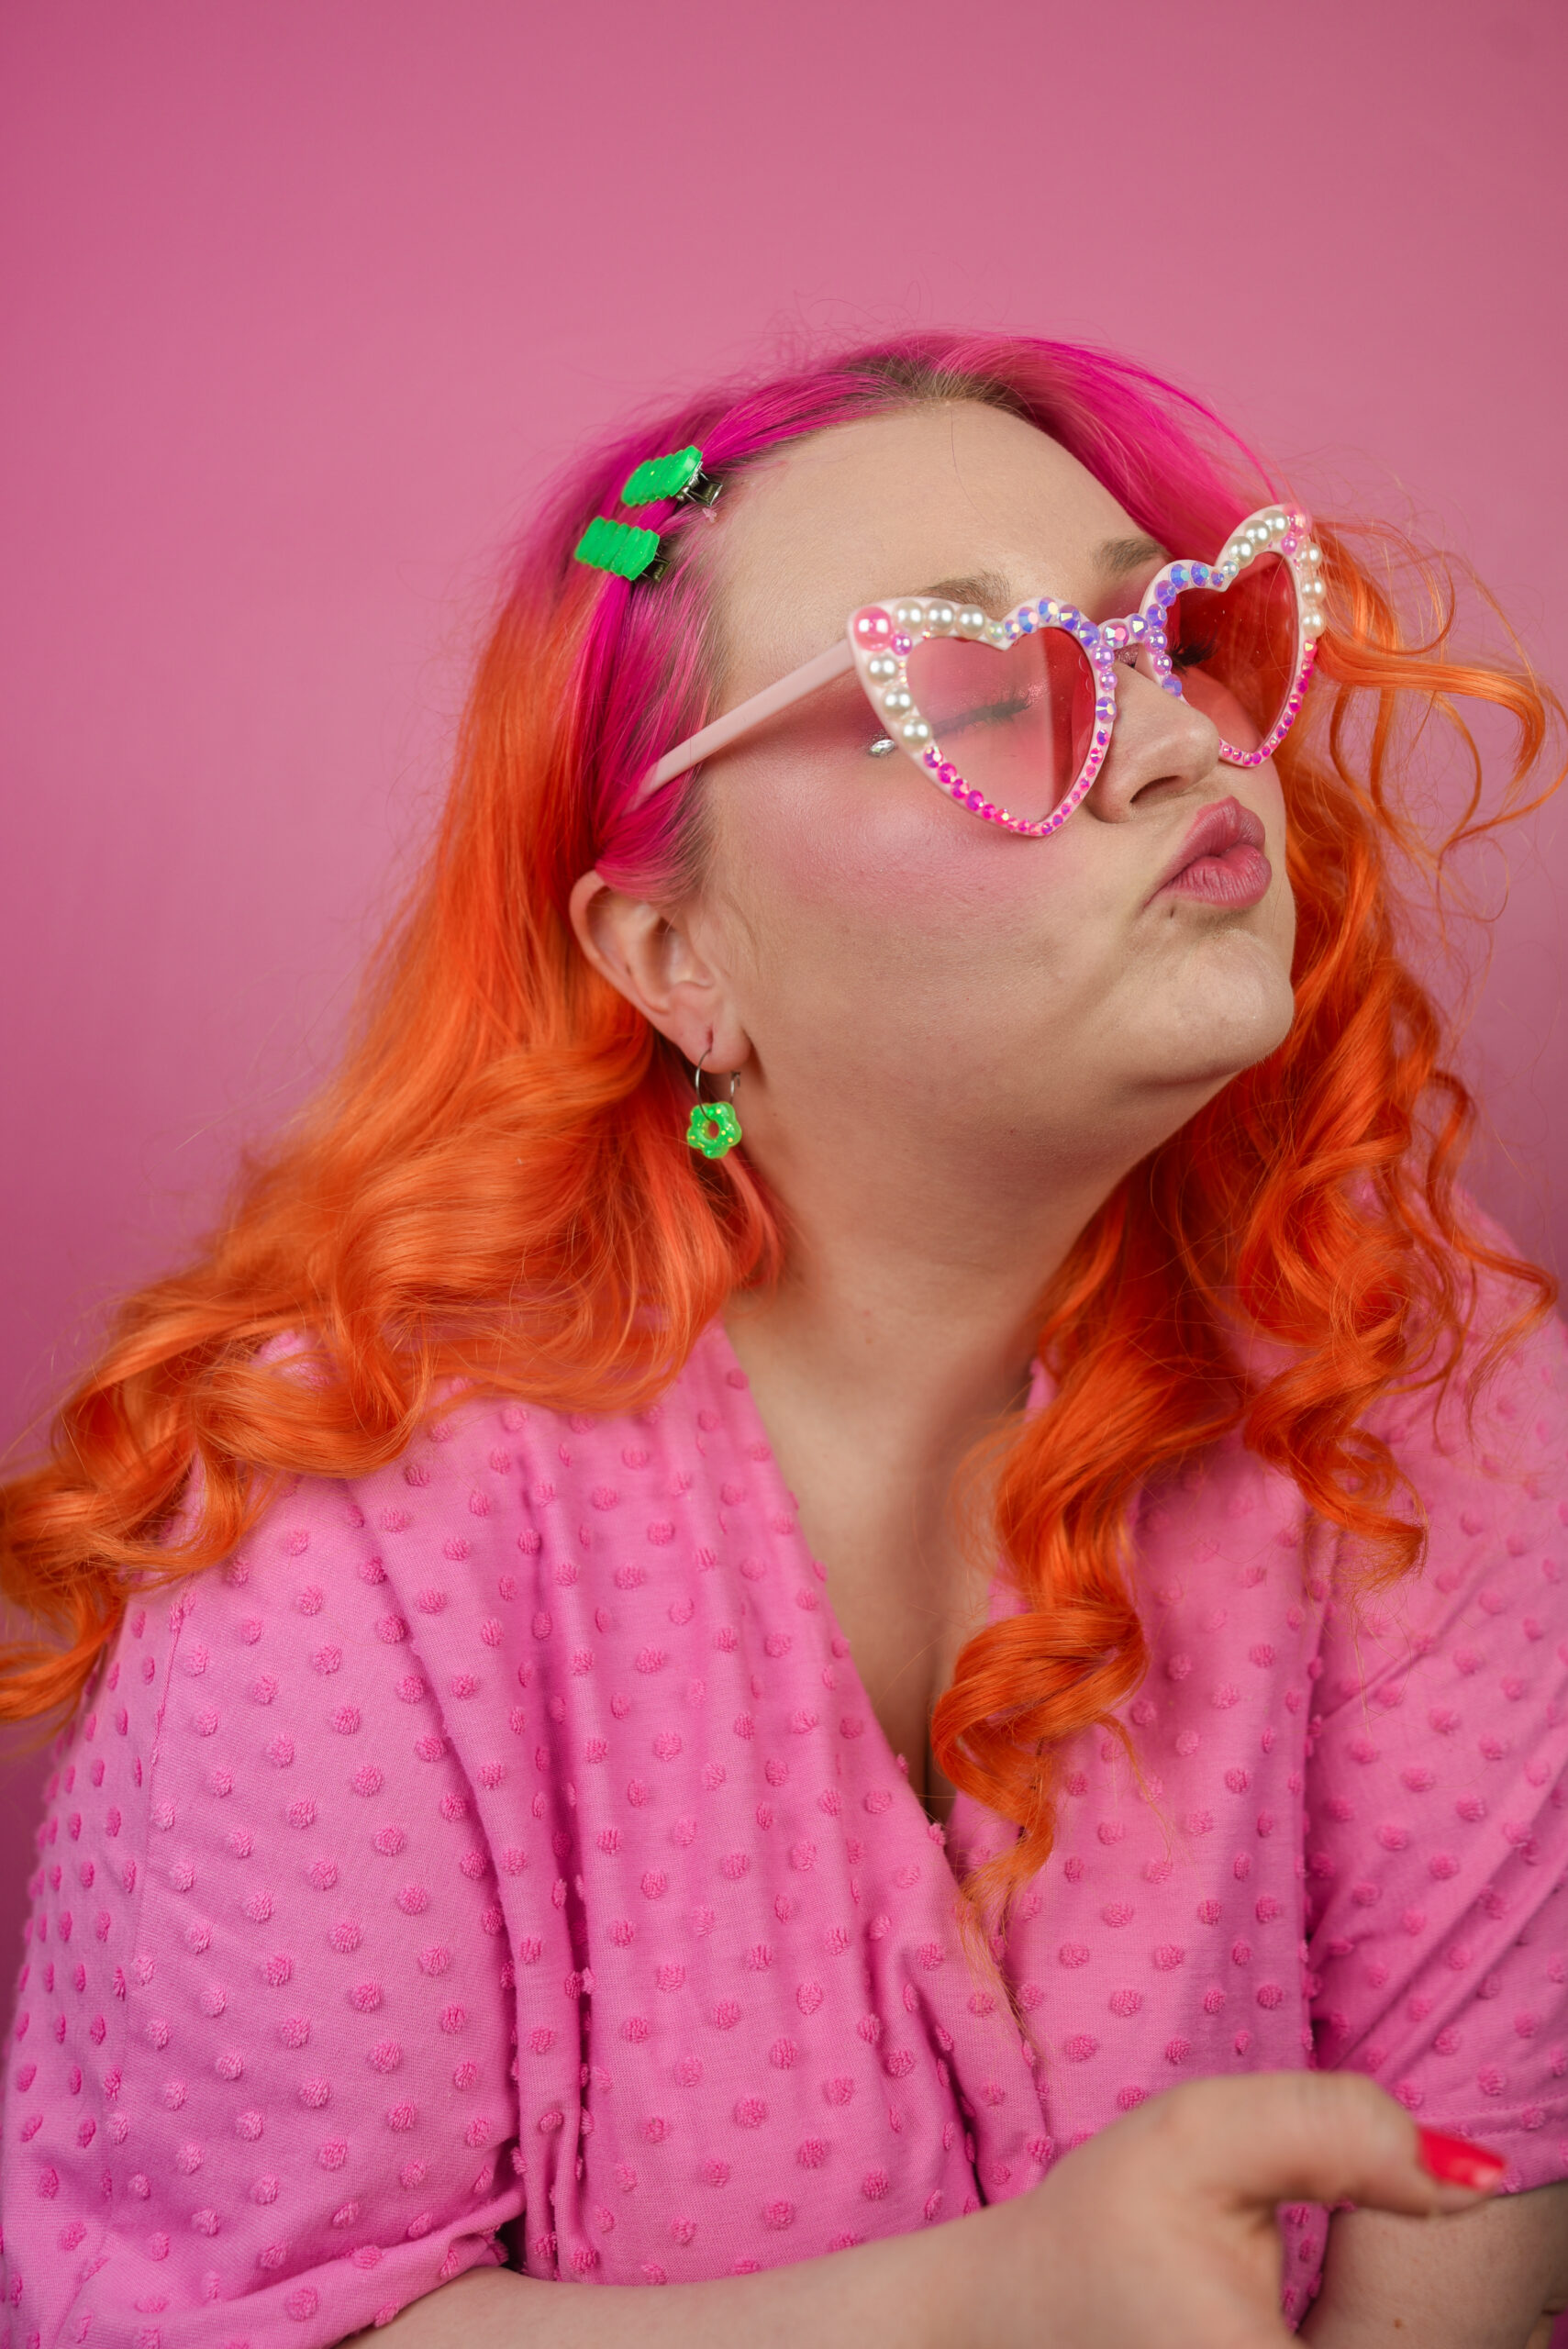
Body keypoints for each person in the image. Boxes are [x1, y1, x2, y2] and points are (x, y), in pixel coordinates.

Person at [1, 333, 1564, 2349]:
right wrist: (996, 2307)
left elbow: (1481, 2153)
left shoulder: (1396, 1346)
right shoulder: (340, 1519)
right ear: (676, 956)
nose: (1178, 741)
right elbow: (227, 2322)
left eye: (1172, 638)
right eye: (978, 690)